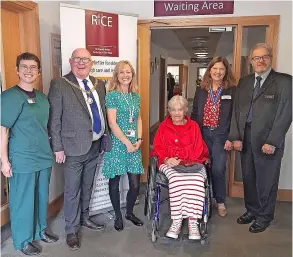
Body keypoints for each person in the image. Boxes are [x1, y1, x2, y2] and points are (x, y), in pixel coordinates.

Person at [225, 43, 292, 233]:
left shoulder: (284, 82)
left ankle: (265, 216)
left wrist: (273, 141)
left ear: (270, 58)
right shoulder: (244, 82)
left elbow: (286, 114)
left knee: (267, 180)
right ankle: (252, 210)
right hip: (245, 139)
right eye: (256, 58)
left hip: (268, 141)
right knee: (249, 177)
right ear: (251, 61)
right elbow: (237, 111)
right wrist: (235, 136)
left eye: (264, 57)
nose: (260, 61)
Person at [48, 48, 110, 250]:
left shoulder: (99, 84)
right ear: (70, 61)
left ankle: (84, 218)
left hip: (95, 144)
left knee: (88, 186)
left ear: (91, 63)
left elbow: (101, 112)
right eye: (77, 59)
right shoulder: (60, 84)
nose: (81, 63)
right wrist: (57, 147)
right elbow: (54, 119)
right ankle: (71, 230)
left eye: (85, 59)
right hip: (72, 148)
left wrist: (105, 136)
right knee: (72, 190)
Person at [1, 52, 58, 256]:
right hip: (22, 157)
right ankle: (23, 240)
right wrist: (4, 160)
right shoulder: (9, 97)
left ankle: (40, 231)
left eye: (33, 67)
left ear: (39, 72)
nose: (28, 71)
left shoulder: (42, 98)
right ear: (17, 70)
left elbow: (45, 128)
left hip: (43, 156)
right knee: (23, 200)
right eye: (24, 67)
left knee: (41, 196)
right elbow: (3, 129)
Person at [152, 95, 209, 240]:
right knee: (177, 179)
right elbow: (158, 147)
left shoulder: (194, 126)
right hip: (168, 163)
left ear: (185, 110)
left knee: (197, 180)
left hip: (192, 163)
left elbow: (198, 149)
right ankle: (177, 221)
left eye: (180, 110)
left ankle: (193, 221)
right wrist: (167, 159)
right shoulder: (163, 127)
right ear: (169, 111)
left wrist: (181, 159)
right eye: (173, 110)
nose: (177, 113)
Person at [102, 60, 144, 231]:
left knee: (135, 183)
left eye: (128, 72)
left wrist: (139, 139)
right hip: (119, 144)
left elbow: (139, 119)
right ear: (117, 76)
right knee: (115, 182)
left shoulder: (135, 96)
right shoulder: (112, 95)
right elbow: (112, 123)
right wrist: (127, 143)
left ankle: (129, 212)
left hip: (134, 144)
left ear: (132, 75)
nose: (125, 75)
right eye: (122, 72)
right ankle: (118, 215)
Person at [191, 56, 236, 217]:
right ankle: (205, 198)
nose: (218, 72)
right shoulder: (201, 90)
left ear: (226, 72)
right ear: (210, 70)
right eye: (215, 68)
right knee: (203, 166)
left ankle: (220, 201)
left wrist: (231, 137)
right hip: (203, 133)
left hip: (221, 135)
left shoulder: (231, 90)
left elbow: (235, 116)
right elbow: (195, 114)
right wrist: (193, 135)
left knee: (218, 168)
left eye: (221, 69)